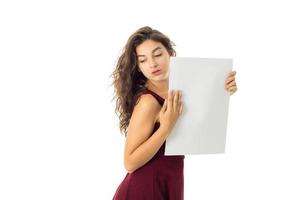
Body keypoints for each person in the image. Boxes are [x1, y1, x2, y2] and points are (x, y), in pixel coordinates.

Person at [110, 26, 238, 200]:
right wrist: (165, 127)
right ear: (138, 67)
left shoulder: (179, 91)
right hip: (145, 188)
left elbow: (199, 120)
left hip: (170, 180)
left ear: (170, 53)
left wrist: (223, 92)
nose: (153, 64)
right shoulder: (148, 102)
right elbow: (130, 163)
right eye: (143, 60)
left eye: (157, 54)